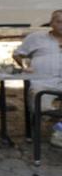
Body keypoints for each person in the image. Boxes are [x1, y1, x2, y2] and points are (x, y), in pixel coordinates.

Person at [13, 10, 62, 147]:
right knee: (42, 106)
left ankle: (59, 130)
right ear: (51, 23)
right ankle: (57, 126)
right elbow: (18, 54)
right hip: (43, 82)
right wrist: (24, 67)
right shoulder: (37, 38)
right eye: (59, 22)